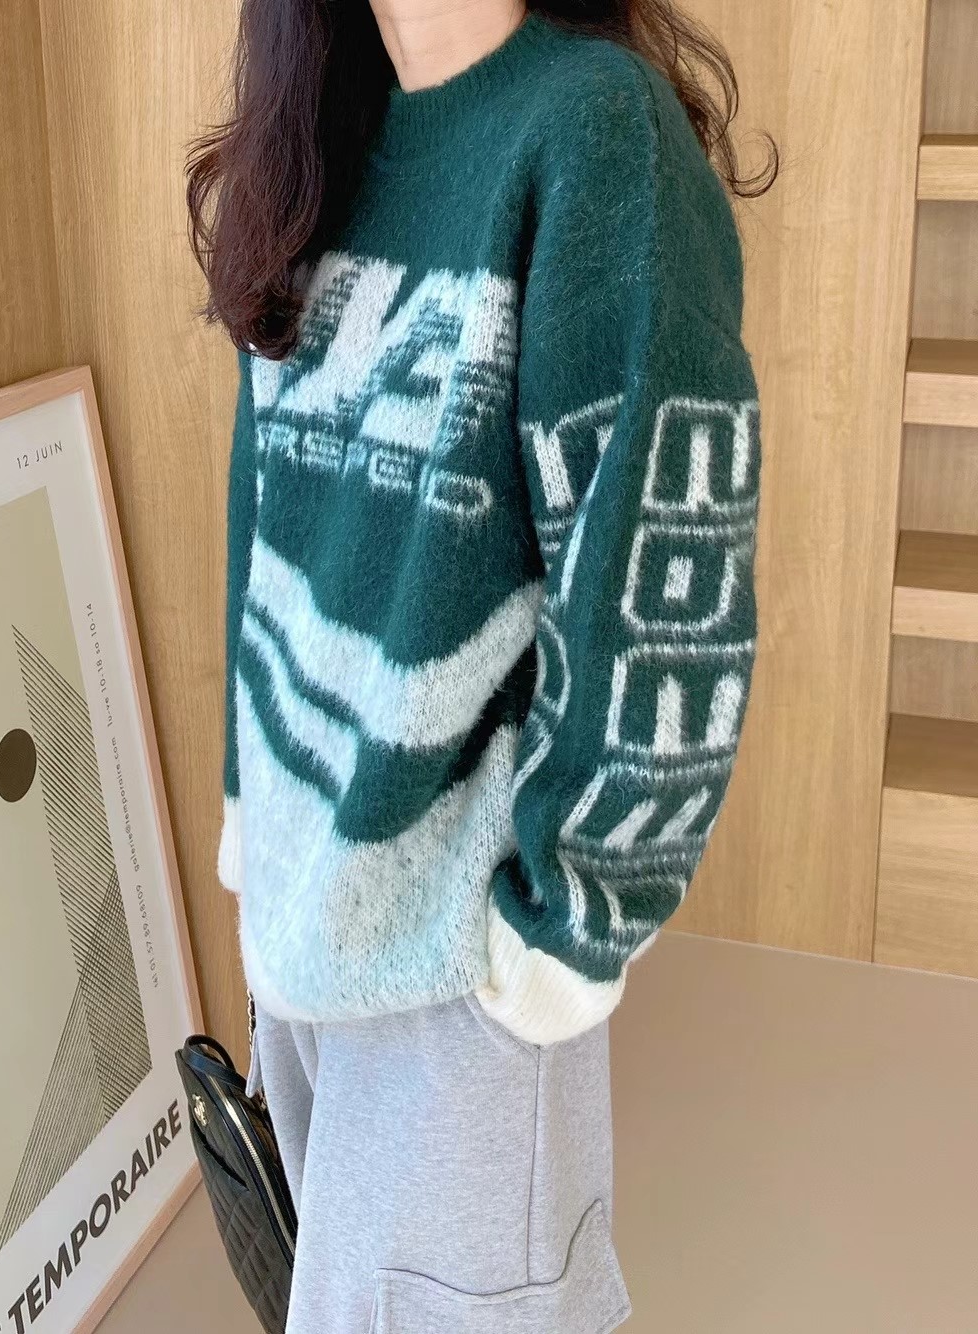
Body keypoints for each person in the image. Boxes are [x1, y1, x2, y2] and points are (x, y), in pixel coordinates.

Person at [187, 2, 775, 1329]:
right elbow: (265, 519)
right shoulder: (320, 140)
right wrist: (249, 819)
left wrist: (561, 932)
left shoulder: (593, 134)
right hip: (298, 919)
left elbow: (654, 571)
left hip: (456, 970)